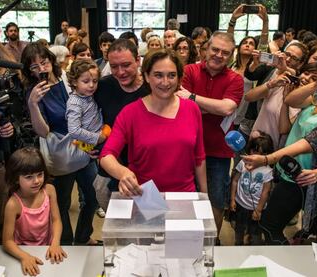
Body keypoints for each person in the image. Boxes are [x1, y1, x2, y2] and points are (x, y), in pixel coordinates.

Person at [242, 64, 317, 244]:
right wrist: (316, 85)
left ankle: (286, 262)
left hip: (301, 177)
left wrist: (267, 159)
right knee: (313, 214)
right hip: (289, 169)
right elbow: (291, 100)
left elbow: (309, 143)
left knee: (269, 225)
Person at [99, 48, 206, 195]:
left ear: (179, 77)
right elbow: (106, 156)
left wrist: (204, 196)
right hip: (145, 197)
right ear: (147, 76)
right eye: (158, 75)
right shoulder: (130, 113)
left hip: (184, 194)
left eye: (172, 75)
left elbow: (199, 157)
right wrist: (122, 172)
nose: (165, 82)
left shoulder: (191, 109)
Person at [22, 43, 99, 245]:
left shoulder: (67, 78)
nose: (41, 69)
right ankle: (66, 243)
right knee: (61, 205)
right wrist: (33, 104)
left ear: (51, 61)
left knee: (92, 198)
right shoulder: (33, 93)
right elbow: (43, 131)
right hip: (61, 156)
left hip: (83, 148)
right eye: (34, 67)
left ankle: (83, 237)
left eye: (44, 62)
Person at [176, 31, 244, 242]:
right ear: (205, 49)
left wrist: (194, 99)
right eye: (215, 49)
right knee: (185, 199)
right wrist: (212, 105)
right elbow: (179, 104)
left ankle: (211, 241)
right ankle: (186, 239)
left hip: (218, 152)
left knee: (215, 200)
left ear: (231, 56)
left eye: (225, 52)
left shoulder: (236, 79)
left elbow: (226, 108)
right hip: (185, 149)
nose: (219, 55)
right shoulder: (188, 70)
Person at [92, 38, 149, 209]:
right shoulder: (103, 86)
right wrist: (88, 145)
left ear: (138, 60)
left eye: (126, 65)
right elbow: (83, 115)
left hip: (144, 166)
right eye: (114, 66)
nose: (121, 72)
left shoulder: (151, 87)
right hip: (111, 164)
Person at [2, 147, 67, 276]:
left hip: (47, 248)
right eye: (29, 177)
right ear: (16, 178)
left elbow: (56, 220)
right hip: (23, 250)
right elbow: (7, 242)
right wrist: (24, 257)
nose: (36, 181)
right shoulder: (13, 204)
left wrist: (55, 243)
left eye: (40, 174)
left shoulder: (49, 190)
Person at [230, 132, 274, 245]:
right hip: (240, 205)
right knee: (238, 229)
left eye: (260, 154)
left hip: (256, 209)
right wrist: (232, 199)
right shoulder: (243, 163)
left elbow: (266, 192)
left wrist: (258, 209)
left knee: (255, 233)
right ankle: (238, 245)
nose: (255, 156)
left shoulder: (267, 171)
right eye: (254, 151)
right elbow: (235, 181)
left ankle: (255, 248)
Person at [66, 60, 108, 153]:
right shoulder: (75, 103)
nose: (91, 85)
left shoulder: (87, 94)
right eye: (86, 81)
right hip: (92, 142)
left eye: (95, 81)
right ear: (74, 82)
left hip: (100, 133)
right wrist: (97, 138)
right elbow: (73, 130)